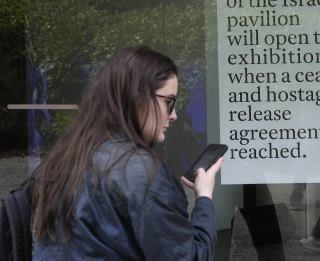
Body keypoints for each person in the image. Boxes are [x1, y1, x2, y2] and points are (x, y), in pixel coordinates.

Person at [31, 45, 223, 261]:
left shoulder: (66, 157)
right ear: (137, 97)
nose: (174, 115)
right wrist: (204, 197)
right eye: (169, 102)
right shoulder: (142, 173)